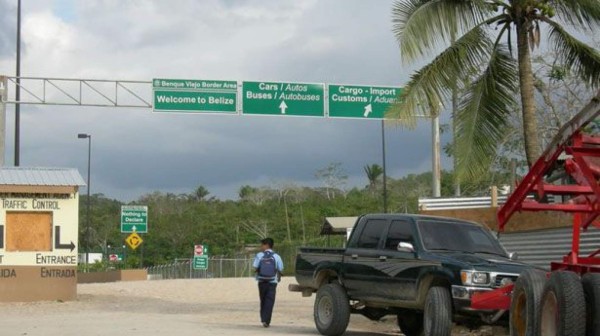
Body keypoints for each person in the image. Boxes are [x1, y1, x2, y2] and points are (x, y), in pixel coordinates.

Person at [253, 237, 284, 328]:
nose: (261, 246)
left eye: (262, 245)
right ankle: (267, 320)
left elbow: (255, 266)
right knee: (270, 301)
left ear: (266, 245)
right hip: (272, 282)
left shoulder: (259, 255)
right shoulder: (277, 256)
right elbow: (281, 268)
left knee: (263, 300)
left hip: (261, 281)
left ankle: (263, 319)